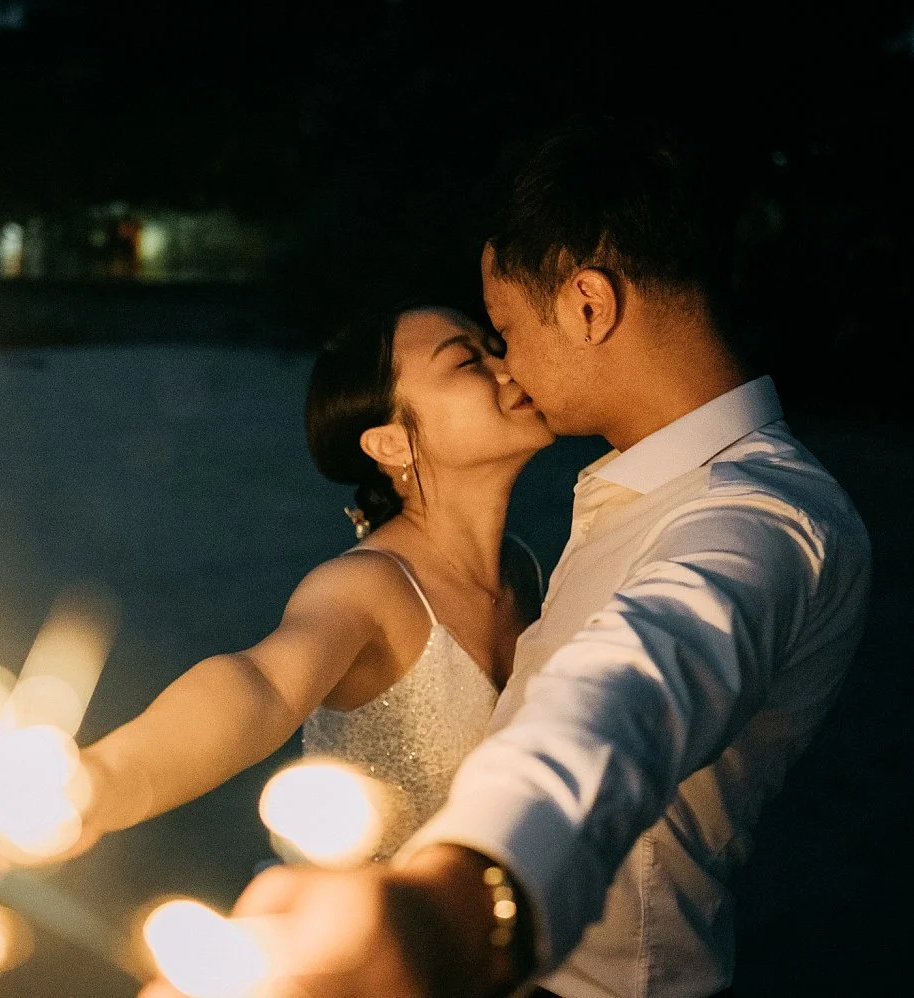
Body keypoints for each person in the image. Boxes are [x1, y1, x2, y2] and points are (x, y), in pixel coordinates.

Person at [141, 117, 873, 998]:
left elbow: (625, 696)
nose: (509, 362)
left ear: (590, 305)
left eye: (503, 327)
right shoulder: (615, 505)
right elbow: (261, 683)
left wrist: (457, 911)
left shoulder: (758, 520)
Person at [72, 303, 554, 861]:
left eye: (495, 348)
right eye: (469, 361)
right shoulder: (368, 587)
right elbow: (262, 685)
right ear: (392, 444)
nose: (508, 366)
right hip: (357, 931)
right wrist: (109, 777)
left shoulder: (523, 567)